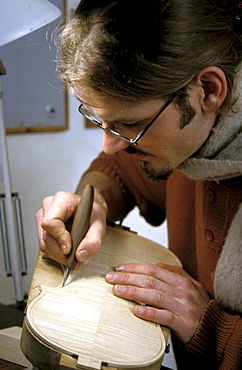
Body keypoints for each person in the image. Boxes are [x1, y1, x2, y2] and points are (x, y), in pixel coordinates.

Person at [36, 0, 242, 368]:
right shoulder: (181, 141)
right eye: (102, 121)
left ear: (209, 90)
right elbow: (119, 172)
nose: (110, 144)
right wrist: (94, 202)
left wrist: (209, 326)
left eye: (130, 124)